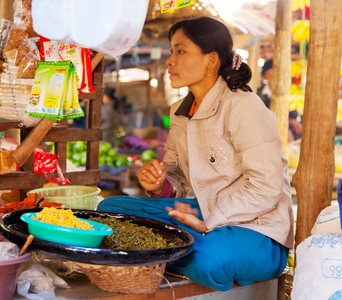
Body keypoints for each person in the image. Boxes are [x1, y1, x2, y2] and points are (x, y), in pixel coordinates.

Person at [97, 16, 294, 292]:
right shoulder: (180, 112)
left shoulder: (244, 107)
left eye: (180, 51)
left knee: (210, 259)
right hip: (199, 214)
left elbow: (266, 187)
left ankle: (163, 250)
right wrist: (159, 185)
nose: (170, 61)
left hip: (258, 230)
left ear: (210, 59)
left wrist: (208, 222)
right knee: (109, 210)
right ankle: (174, 247)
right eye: (171, 51)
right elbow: (176, 180)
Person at [257, 58, 302, 141]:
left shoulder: (289, 92)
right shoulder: (259, 95)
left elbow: (295, 113)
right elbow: (261, 117)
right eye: (271, 76)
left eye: (277, 75)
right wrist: (289, 121)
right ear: (264, 77)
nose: (275, 79)